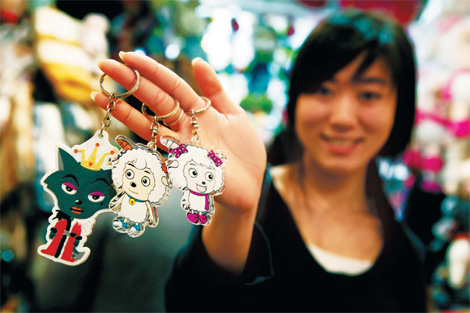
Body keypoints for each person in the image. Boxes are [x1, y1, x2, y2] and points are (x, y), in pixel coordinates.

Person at [91, 10, 426, 312]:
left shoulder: (407, 257)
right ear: (295, 100)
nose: (341, 117)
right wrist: (237, 214)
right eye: (323, 89)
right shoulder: (252, 206)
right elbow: (192, 302)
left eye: (368, 94)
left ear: (400, 109)